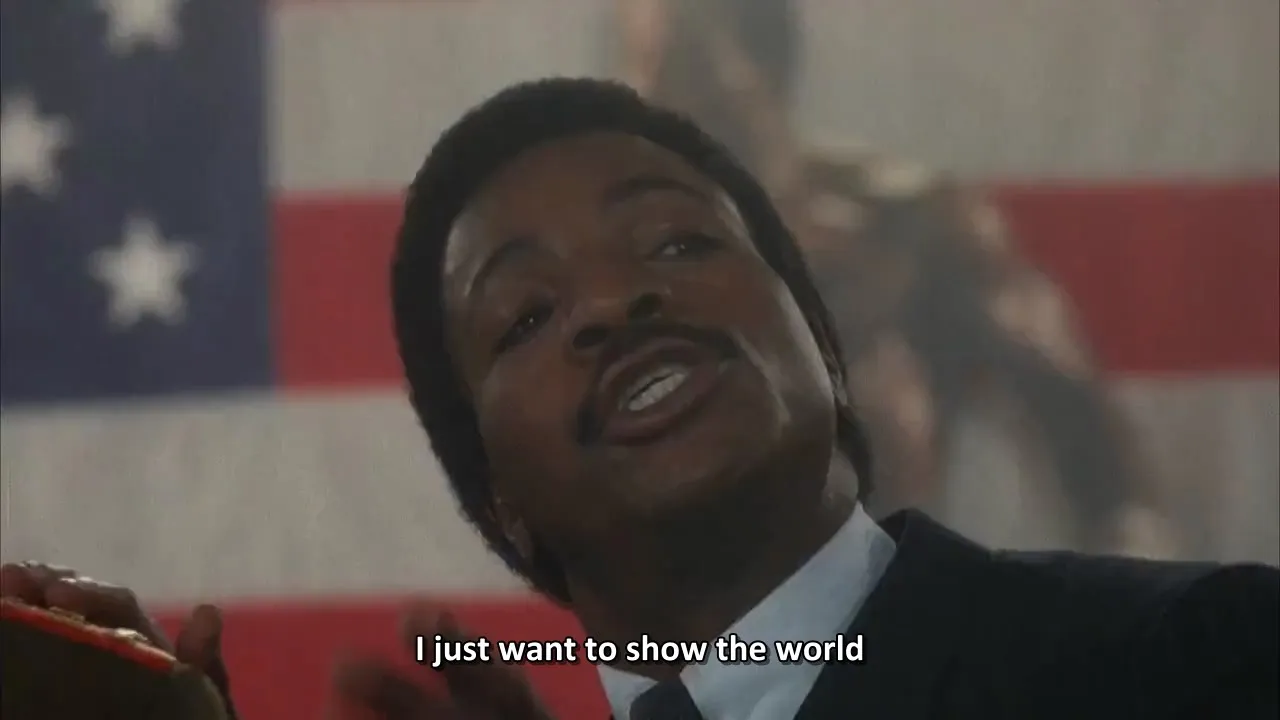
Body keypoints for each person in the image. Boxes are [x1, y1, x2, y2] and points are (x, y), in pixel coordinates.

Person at [2, 79, 1276, 719]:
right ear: (500, 506)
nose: (615, 303)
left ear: (823, 353)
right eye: (527, 314)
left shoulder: (1206, 660)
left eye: (674, 241)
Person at [616, 0, 1170, 555]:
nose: (650, 103)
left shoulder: (906, 227)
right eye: (643, 70)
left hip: (881, 583)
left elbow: (1093, 453)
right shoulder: (603, 251)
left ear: (758, 66)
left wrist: (1133, 577)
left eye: (672, 68)